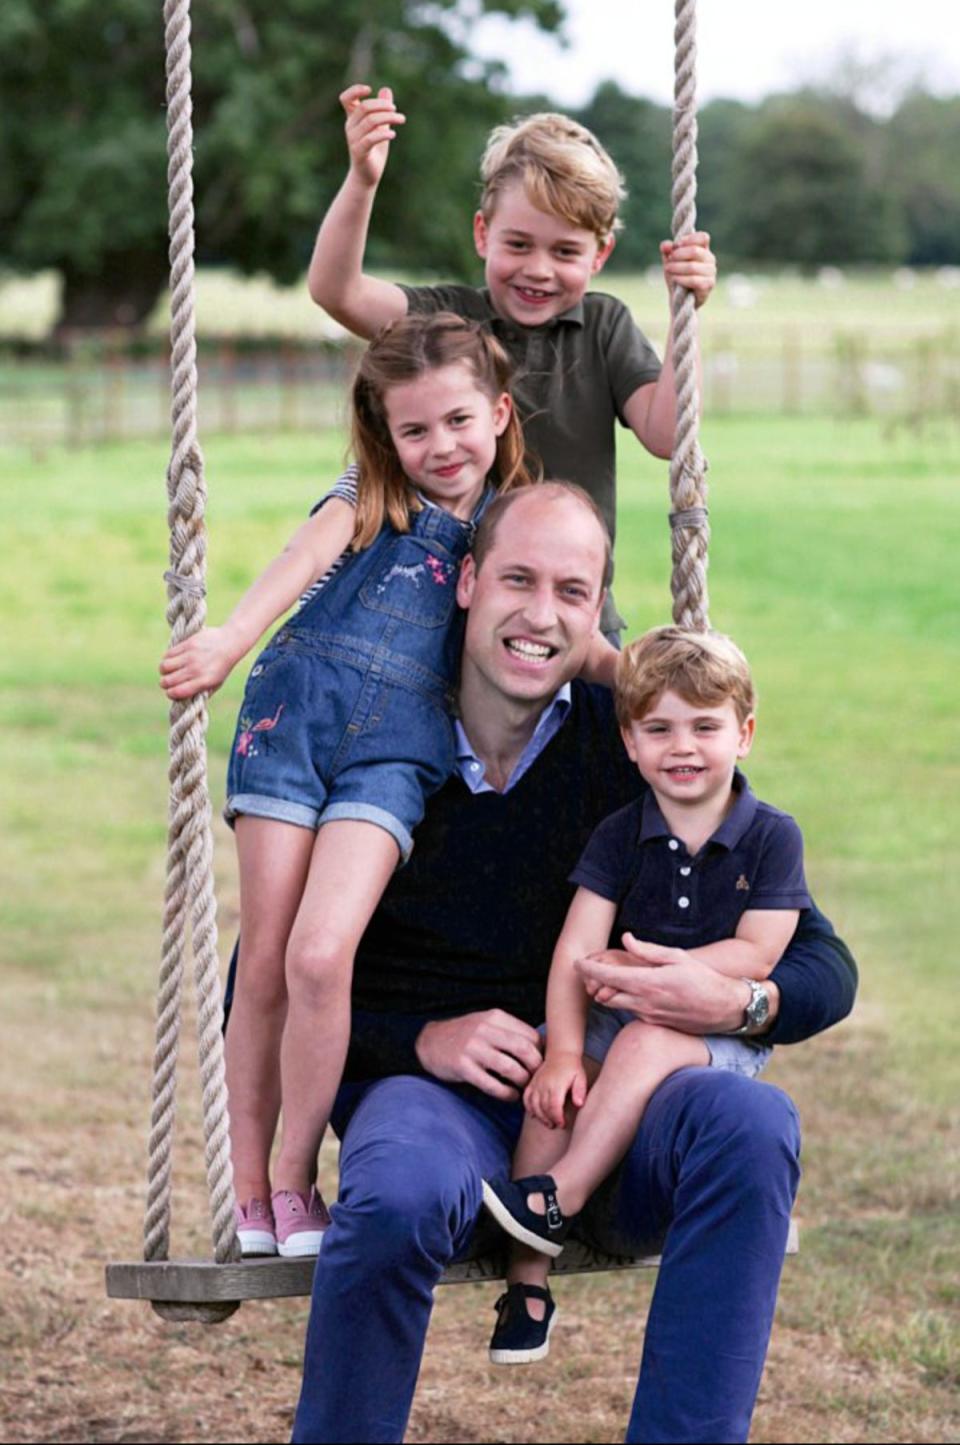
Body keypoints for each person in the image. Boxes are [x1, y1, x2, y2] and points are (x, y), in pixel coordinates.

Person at [289, 483, 858, 1444]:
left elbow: (821, 964)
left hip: (619, 1108)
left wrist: (734, 997)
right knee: (395, 1192)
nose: (541, 614)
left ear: (597, 612)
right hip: (443, 1104)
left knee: (751, 1121)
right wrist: (422, 1039)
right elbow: (266, 988)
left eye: (572, 589)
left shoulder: (632, 743)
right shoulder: (379, 742)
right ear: (467, 581)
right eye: (517, 578)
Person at [159, 312, 539, 1259]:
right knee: (269, 958)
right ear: (386, 433)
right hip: (294, 718)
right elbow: (300, 562)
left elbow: (554, 620)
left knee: (324, 957)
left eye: (457, 421)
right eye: (415, 430)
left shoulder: (510, 522)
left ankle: (295, 1177)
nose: (439, 447)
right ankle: (250, 1192)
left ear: (497, 412)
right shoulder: (371, 491)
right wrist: (227, 640)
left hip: (398, 750)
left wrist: (651, 679)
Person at [480, 626, 812, 1364]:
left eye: (705, 726)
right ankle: (527, 1282)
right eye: (659, 728)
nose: (683, 746)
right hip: (619, 1004)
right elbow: (575, 950)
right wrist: (564, 1052)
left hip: (716, 1024)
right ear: (630, 741)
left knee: (643, 1039)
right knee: (550, 1090)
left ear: (745, 734)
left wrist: (669, 977)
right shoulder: (620, 834)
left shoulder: (771, 838)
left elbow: (760, 951)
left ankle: (560, 1192)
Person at [307, 95, 718, 635]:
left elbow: (668, 435)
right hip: (452, 622)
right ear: (483, 234)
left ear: (600, 256)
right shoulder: (448, 322)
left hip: (574, 618)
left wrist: (683, 312)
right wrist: (362, 180)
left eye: (565, 252)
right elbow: (338, 291)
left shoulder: (604, 327)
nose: (538, 270)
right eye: (518, 244)